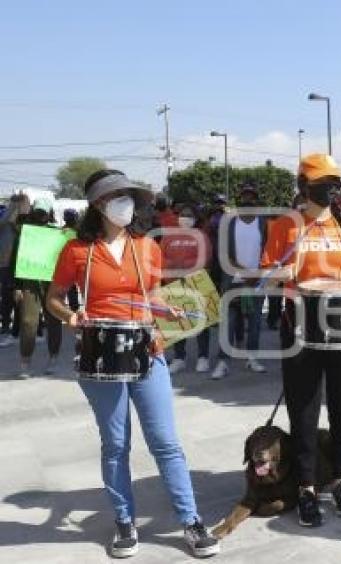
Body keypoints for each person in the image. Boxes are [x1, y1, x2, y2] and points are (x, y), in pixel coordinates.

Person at [46, 169, 220, 559]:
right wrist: (69, 316)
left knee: (166, 443)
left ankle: (190, 520)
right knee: (116, 444)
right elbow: (54, 298)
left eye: (129, 196)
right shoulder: (77, 251)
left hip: (147, 350)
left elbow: (151, 296)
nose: (127, 203)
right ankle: (124, 522)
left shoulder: (146, 247)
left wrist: (171, 310)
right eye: (118, 196)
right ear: (99, 204)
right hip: (99, 354)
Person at [261, 153, 341, 527]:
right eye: (324, 182)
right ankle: (306, 487)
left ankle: (340, 480)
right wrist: (282, 273)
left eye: (335, 182)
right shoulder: (285, 226)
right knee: (304, 410)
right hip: (300, 328)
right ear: (304, 186)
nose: (331, 188)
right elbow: (267, 278)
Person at [211, 184, 268, 379]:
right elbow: (224, 253)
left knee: (255, 323)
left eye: (252, 197)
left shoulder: (263, 223)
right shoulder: (229, 223)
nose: (248, 200)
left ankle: (252, 358)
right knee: (228, 322)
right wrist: (245, 273)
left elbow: (268, 251)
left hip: (257, 282)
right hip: (233, 281)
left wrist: (259, 274)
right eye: (245, 197)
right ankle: (223, 362)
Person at [11, 198, 63, 375]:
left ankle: (53, 358)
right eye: (38, 211)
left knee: (54, 320)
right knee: (28, 322)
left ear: (50, 213)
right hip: (29, 281)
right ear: (34, 211)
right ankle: (25, 361)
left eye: (44, 212)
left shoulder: (57, 234)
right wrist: (16, 286)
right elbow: (15, 260)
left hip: (52, 283)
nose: (41, 215)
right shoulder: (24, 232)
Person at [160, 204, 213, 374]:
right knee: (177, 321)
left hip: (196, 283)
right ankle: (178, 357)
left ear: (195, 219)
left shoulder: (201, 236)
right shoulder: (169, 236)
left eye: (189, 215)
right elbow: (161, 258)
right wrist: (173, 269)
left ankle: (203, 357)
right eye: (182, 214)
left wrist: (184, 269)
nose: (185, 218)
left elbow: (205, 258)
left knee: (201, 322)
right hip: (174, 285)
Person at [0, 193, 29, 347]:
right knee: (6, 296)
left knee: (20, 296)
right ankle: (6, 324)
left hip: (20, 263)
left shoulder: (24, 219)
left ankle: (23, 326)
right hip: (5, 263)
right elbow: (3, 223)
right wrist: (12, 208)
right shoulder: (5, 218)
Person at [62, 208, 81, 313]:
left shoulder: (78, 231)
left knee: (71, 288)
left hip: (75, 262)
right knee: (70, 288)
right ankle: (74, 308)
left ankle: (74, 308)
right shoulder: (64, 231)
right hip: (69, 263)